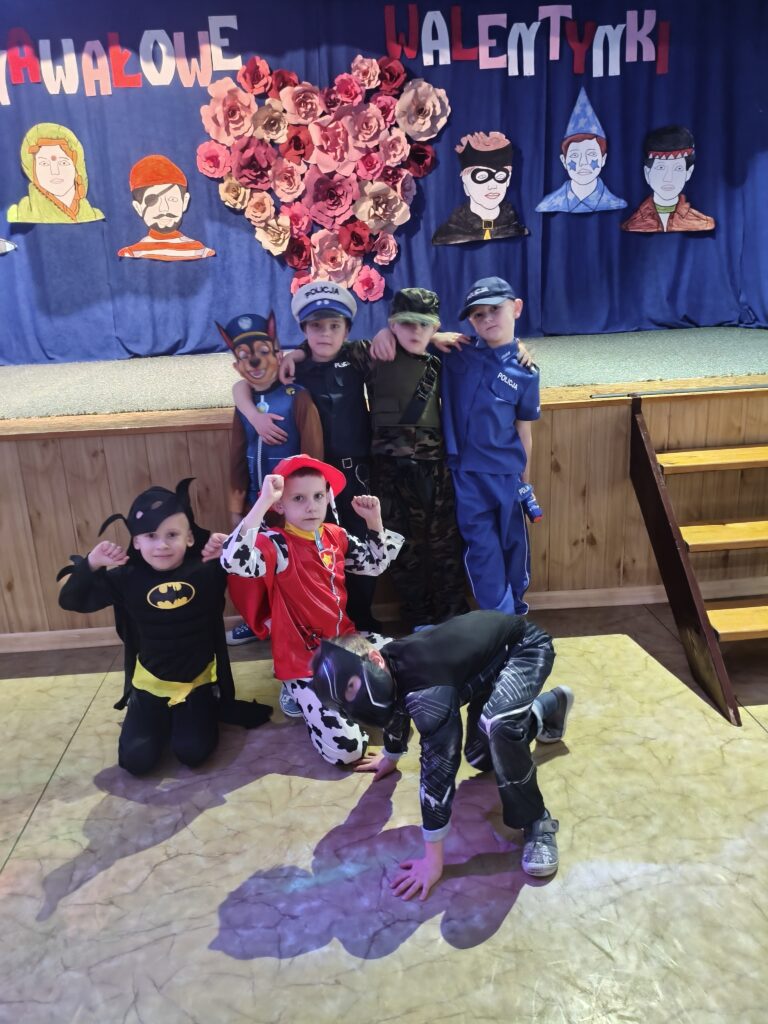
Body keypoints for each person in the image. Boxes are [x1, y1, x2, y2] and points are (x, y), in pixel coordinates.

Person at [310, 610, 574, 897]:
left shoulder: (426, 689)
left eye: (351, 686)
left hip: (523, 647)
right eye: (343, 702)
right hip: (486, 664)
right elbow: (393, 707)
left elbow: (439, 765)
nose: (353, 704)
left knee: (498, 725)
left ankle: (537, 821)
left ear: (374, 659)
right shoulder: (386, 666)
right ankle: (547, 708)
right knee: (482, 757)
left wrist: (433, 860)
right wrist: (391, 755)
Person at [57, 479, 271, 776]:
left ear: (189, 538)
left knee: (193, 753)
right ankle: (153, 715)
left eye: (172, 534)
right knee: (136, 761)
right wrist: (92, 563)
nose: (162, 545)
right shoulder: (126, 578)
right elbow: (70, 600)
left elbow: (258, 574)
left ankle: (200, 707)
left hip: (196, 684)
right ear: (136, 542)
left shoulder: (207, 571)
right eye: (151, 535)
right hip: (150, 686)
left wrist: (229, 550)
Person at [220, 455, 403, 764]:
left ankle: (337, 697)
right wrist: (262, 503)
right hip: (303, 659)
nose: (311, 507)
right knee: (348, 750)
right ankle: (300, 692)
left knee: (404, 667)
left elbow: (374, 564)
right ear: (280, 505)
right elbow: (232, 561)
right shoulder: (276, 544)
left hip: (346, 644)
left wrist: (374, 521)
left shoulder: (335, 535)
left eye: (318, 496)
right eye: (299, 498)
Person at [233, 282, 381, 633]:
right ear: (303, 329)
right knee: (310, 545)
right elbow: (242, 386)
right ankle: (319, 618)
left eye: (334, 326)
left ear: (347, 330)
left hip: (354, 473)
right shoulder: (292, 368)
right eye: (316, 326)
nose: (325, 333)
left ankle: (360, 617)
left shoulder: (357, 357)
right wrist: (253, 412)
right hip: (310, 479)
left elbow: (398, 345)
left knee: (356, 540)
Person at [220, 311, 324, 646]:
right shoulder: (244, 405)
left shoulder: (297, 397)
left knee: (295, 566)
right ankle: (257, 622)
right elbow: (237, 457)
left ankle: (299, 622)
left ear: (278, 355)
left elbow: (313, 455)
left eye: (263, 352)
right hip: (257, 505)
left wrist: (309, 501)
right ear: (237, 365)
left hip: (293, 507)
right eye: (244, 356)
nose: (254, 362)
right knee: (253, 565)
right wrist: (236, 507)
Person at [368, 287, 469, 629]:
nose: (415, 331)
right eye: (406, 323)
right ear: (392, 324)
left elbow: (493, 348)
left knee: (444, 543)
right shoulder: (374, 356)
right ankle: (418, 616)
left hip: (435, 469)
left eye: (424, 325)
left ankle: (452, 615)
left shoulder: (443, 357)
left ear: (436, 326)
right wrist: (294, 356)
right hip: (389, 473)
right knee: (402, 548)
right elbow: (325, 355)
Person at [440, 276, 542, 615]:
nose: (487, 319)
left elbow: (524, 430)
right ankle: (500, 620)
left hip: (508, 477)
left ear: (516, 308)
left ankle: (516, 612)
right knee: (482, 550)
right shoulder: (457, 352)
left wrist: (526, 481)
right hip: (467, 477)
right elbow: (407, 336)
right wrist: (435, 336)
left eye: (495, 310)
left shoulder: (527, 371)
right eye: (478, 315)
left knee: (515, 548)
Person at [536, 87, 626, 214]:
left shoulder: (615, 203)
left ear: (603, 159)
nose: (583, 162)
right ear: (564, 161)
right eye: (575, 155)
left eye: (591, 154)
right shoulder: (548, 204)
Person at [432, 131, 528, 245]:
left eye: (500, 176)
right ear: (465, 183)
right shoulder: (450, 232)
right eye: (482, 177)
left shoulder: (513, 226)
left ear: (508, 180)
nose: (492, 186)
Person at [117, 155, 215, 259]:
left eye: (172, 199)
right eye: (153, 201)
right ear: (138, 208)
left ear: (184, 202)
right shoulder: (131, 254)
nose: (164, 208)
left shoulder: (202, 252)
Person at [621, 125, 715, 233]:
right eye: (661, 167)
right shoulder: (631, 225)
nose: (668, 178)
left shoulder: (703, 224)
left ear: (688, 173)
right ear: (647, 173)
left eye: (678, 168)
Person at [7, 122, 104, 224]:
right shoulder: (20, 216)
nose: (55, 172)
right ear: (32, 170)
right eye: (44, 163)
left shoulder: (95, 216)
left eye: (63, 163)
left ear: (77, 168)